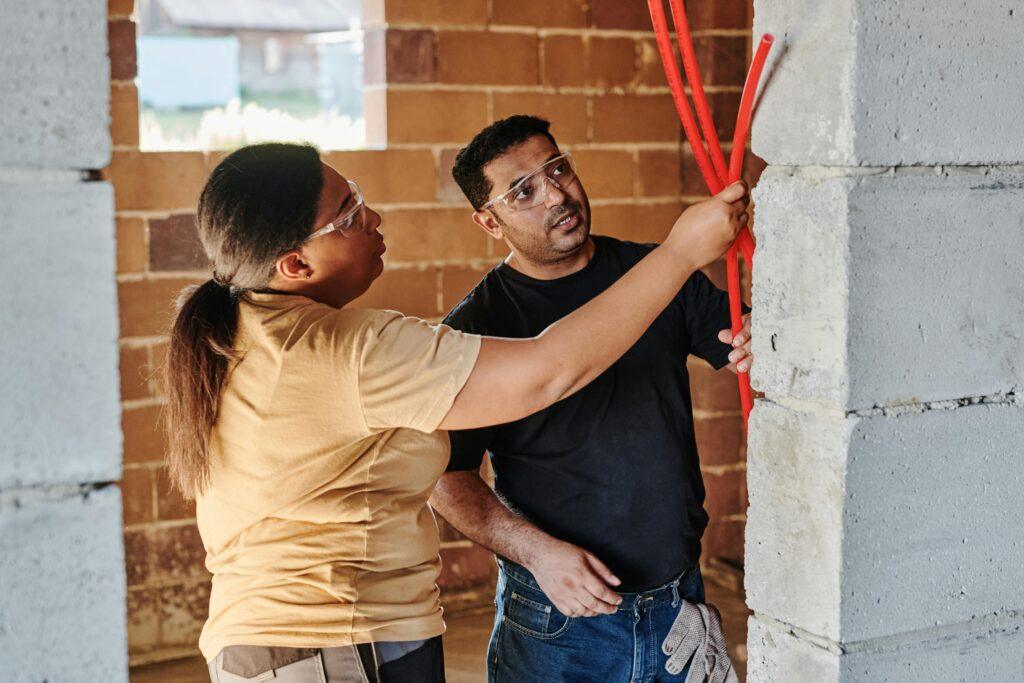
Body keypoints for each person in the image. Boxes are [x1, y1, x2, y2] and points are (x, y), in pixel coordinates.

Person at [162, 142, 748, 682]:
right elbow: (548, 371)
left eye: (360, 195)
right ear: (294, 265)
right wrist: (680, 252)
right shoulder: (350, 349)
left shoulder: (242, 330)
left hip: (320, 639)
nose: (374, 218)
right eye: (348, 215)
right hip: (331, 645)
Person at [430, 116, 753, 681]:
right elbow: (445, 478)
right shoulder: (475, 328)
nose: (556, 194)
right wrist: (536, 554)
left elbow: (750, 351)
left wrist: (761, 340)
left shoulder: (654, 274)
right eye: (523, 191)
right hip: (558, 621)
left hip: (679, 600)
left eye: (558, 168)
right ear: (489, 221)